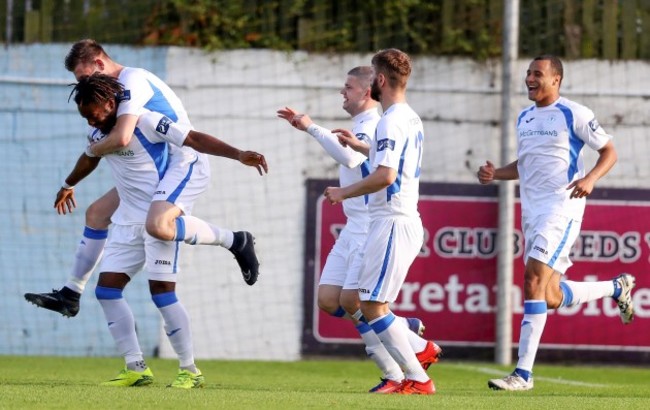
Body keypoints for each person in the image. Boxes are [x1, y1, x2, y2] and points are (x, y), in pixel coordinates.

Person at [25, 39, 260, 318]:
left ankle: (234, 240)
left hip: (182, 160)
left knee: (159, 226)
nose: (83, 86)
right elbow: (106, 145)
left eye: (84, 78)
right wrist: (69, 183)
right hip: (153, 166)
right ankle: (71, 294)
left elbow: (122, 138)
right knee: (97, 214)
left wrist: (237, 154)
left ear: (99, 64)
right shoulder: (111, 94)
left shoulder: (132, 82)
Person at [68, 73, 267, 387]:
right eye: (85, 116)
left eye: (94, 114)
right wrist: (68, 184)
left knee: (161, 292)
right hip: (126, 222)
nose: (91, 121)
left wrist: (237, 153)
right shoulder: (97, 135)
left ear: (110, 103)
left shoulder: (146, 121)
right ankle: (135, 368)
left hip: (156, 211)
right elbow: (89, 158)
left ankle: (189, 370)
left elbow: (193, 139)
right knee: (106, 290)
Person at [477, 55, 635, 391]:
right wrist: (496, 175)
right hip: (532, 211)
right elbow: (527, 163)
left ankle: (522, 374)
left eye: (538, 74)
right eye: (528, 74)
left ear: (556, 80)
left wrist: (590, 178)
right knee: (547, 295)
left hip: (562, 207)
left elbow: (609, 151)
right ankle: (616, 287)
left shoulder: (574, 113)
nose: (530, 79)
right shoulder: (525, 117)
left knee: (532, 278)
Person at [278, 66, 440, 394]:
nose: (343, 92)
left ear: (369, 90)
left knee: (357, 301)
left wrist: (311, 127)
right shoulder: (370, 125)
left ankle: (396, 373)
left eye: (348, 87)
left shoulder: (380, 122)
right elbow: (363, 155)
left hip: (373, 224)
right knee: (329, 299)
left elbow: (352, 160)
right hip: (356, 225)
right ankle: (406, 335)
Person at [323, 49, 435, 395]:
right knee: (359, 301)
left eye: (373, 76)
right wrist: (361, 146)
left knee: (371, 305)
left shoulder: (389, 121)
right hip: (394, 220)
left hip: (391, 220)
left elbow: (386, 177)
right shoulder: (409, 117)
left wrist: (345, 193)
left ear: (380, 81)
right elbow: (391, 162)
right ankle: (416, 353)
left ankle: (418, 377)